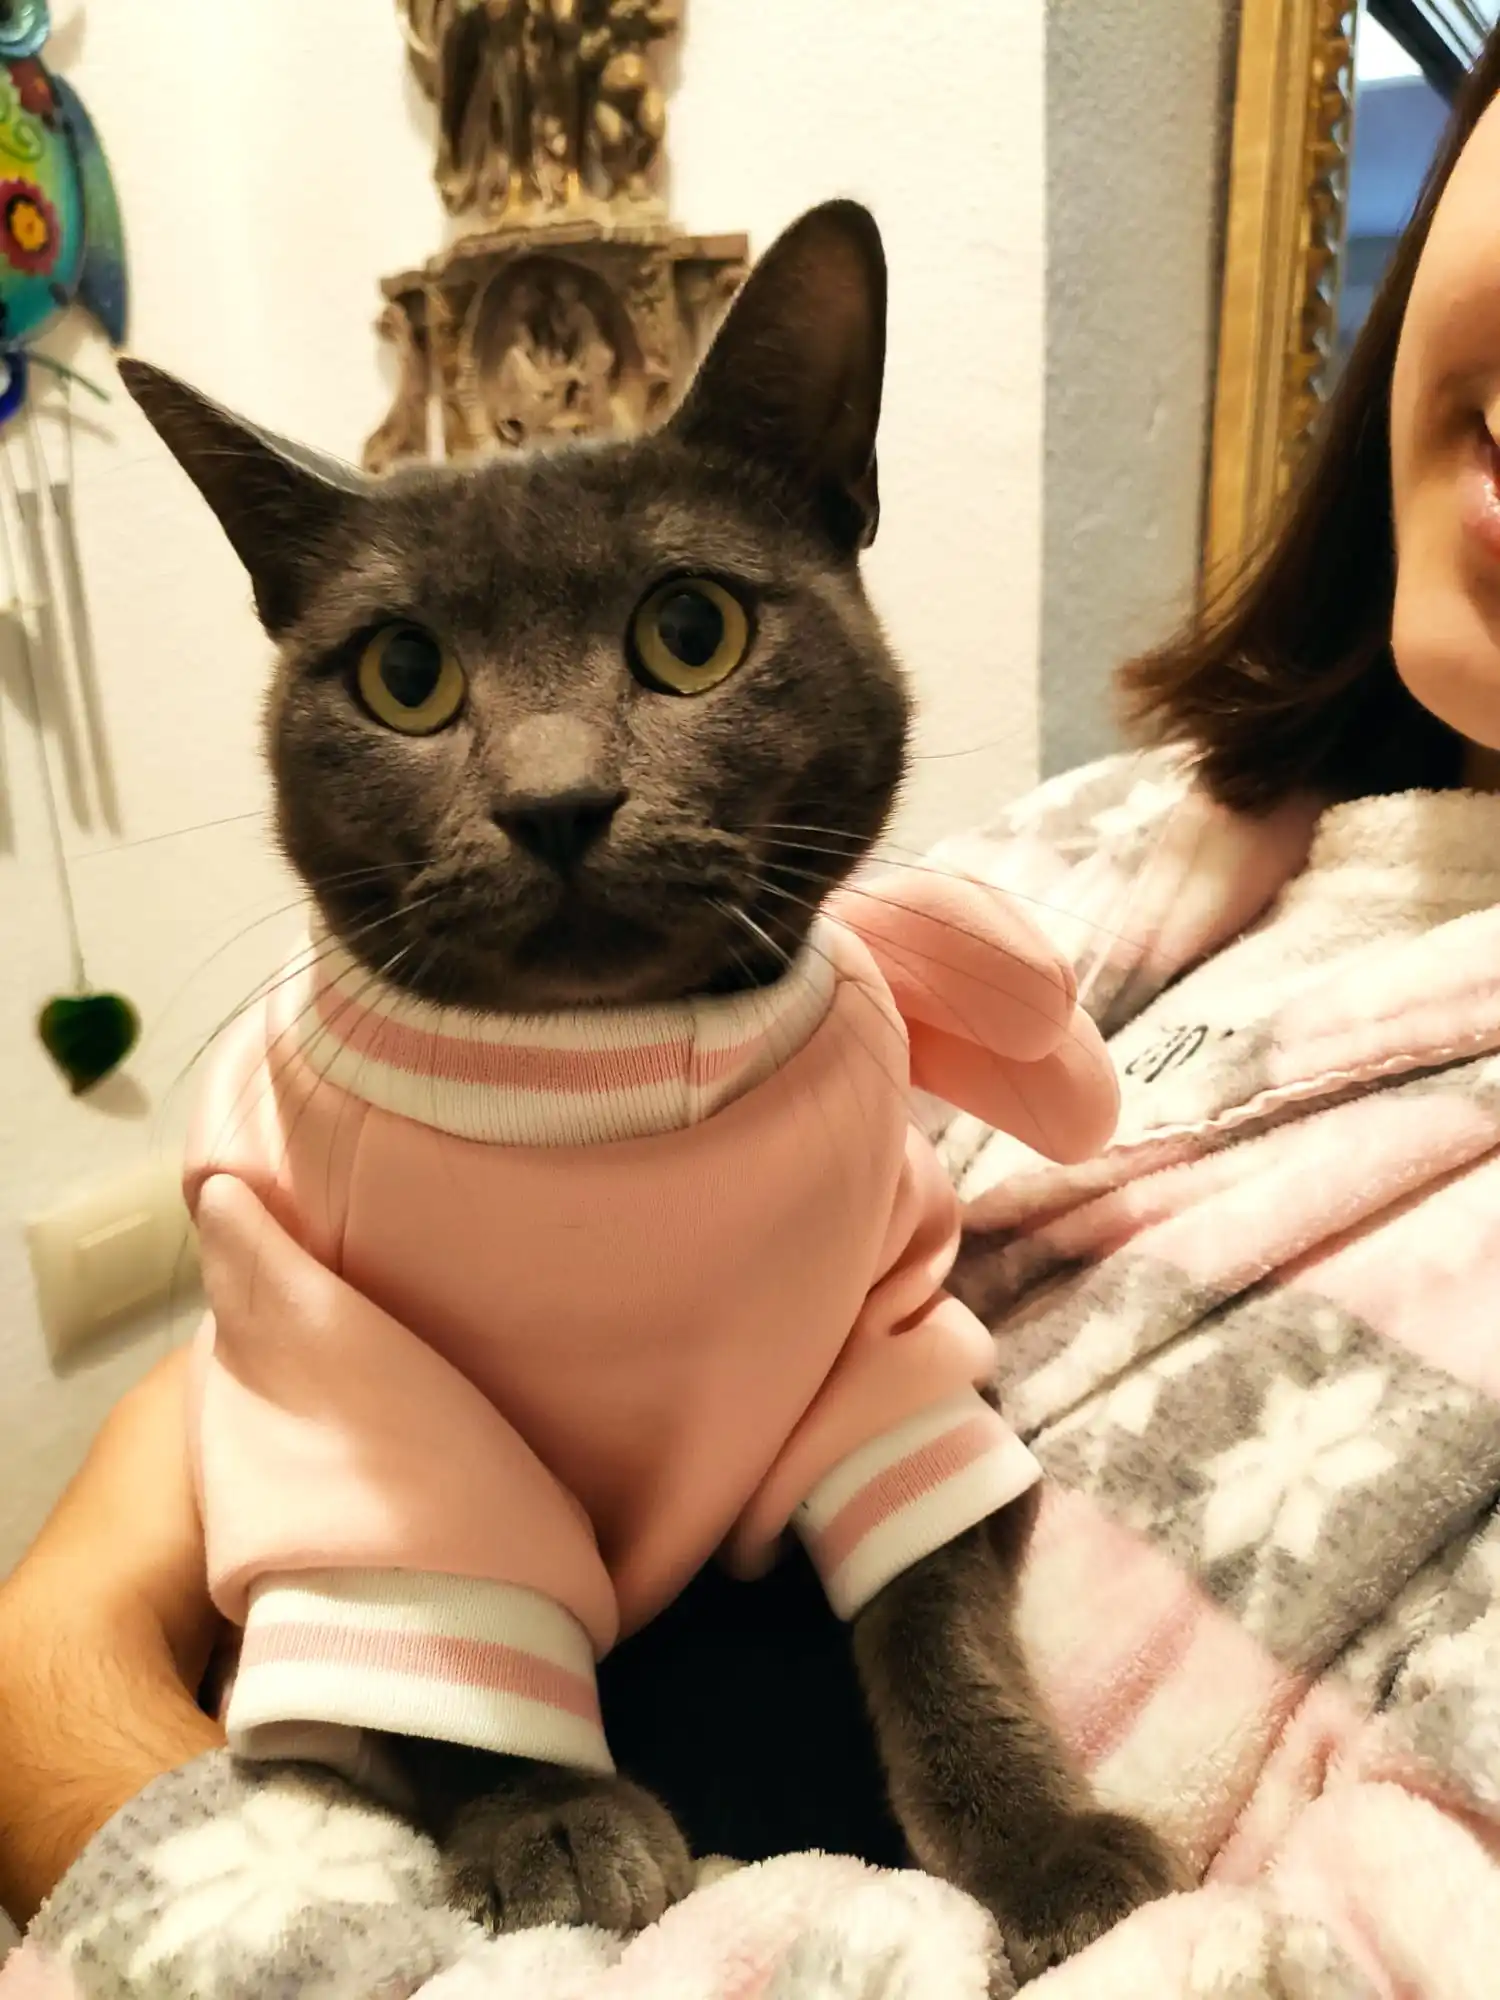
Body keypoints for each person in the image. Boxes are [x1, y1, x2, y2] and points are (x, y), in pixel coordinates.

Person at [8, 16, 1500, 1968]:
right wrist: (479, 1767)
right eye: (409, 677)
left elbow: (871, 1369)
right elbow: (322, 1421)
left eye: (686, 631)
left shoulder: (849, 1037)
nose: (550, 774)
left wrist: (57, 1690)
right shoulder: (1110, 848)